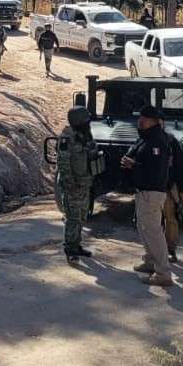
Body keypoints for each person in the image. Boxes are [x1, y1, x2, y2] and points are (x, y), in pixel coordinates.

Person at [121, 105, 172, 287]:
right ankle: (150, 261)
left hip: (152, 191)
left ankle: (163, 273)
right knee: (144, 230)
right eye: (140, 117)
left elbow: (155, 170)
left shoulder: (157, 141)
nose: (140, 121)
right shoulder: (146, 139)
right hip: (143, 191)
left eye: (144, 118)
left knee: (153, 231)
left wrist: (133, 165)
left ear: (153, 121)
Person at [56, 106, 98, 263]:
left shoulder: (85, 135)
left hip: (84, 182)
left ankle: (77, 245)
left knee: (81, 216)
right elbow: (63, 163)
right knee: (72, 218)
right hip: (72, 185)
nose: (88, 123)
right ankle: (70, 249)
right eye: (86, 120)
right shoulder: (67, 138)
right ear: (78, 121)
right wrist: (69, 183)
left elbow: (91, 152)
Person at [159, 113, 183, 264]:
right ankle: (155, 252)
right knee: (154, 222)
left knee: (170, 218)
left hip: (168, 187)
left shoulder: (171, 141)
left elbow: (180, 166)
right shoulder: (146, 140)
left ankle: (171, 249)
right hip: (151, 188)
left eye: (160, 122)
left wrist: (181, 189)